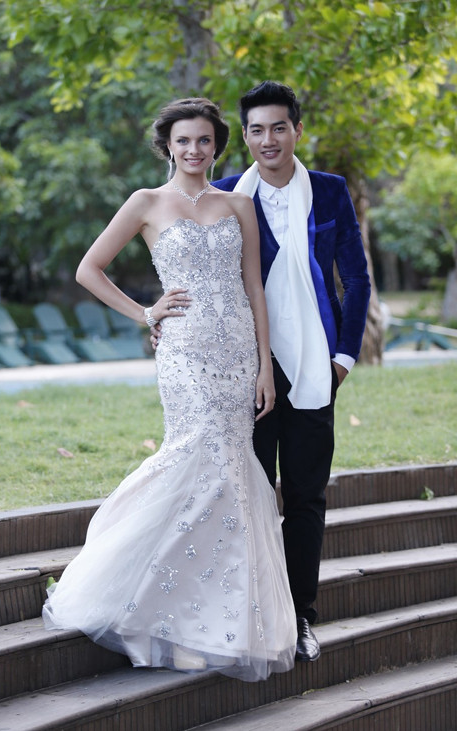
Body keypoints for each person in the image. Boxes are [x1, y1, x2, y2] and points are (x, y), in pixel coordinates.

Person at [42, 97, 297, 682]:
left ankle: (207, 623)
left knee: (230, 475)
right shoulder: (146, 202)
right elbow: (89, 269)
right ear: (168, 145)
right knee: (192, 458)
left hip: (238, 354)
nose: (194, 150)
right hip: (184, 353)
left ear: (217, 146)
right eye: (184, 140)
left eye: (204, 140)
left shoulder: (238, 205)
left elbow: (253, 287)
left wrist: (264, 365)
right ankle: (130, 591)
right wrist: (145, 312)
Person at [153, 81, 371, 662]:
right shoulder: (225, 194)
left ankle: (299, 619)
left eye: (279, 127)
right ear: (245, 138)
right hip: (240, 370)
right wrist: (160, 316)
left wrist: (343, 358)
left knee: (305, 496)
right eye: (256, 129)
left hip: (316, 366)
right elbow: (188, 261)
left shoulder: (330, 191)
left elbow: (356, 277)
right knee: (241, 494)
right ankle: (240, 617)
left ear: (297, 130)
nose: (268, 139)